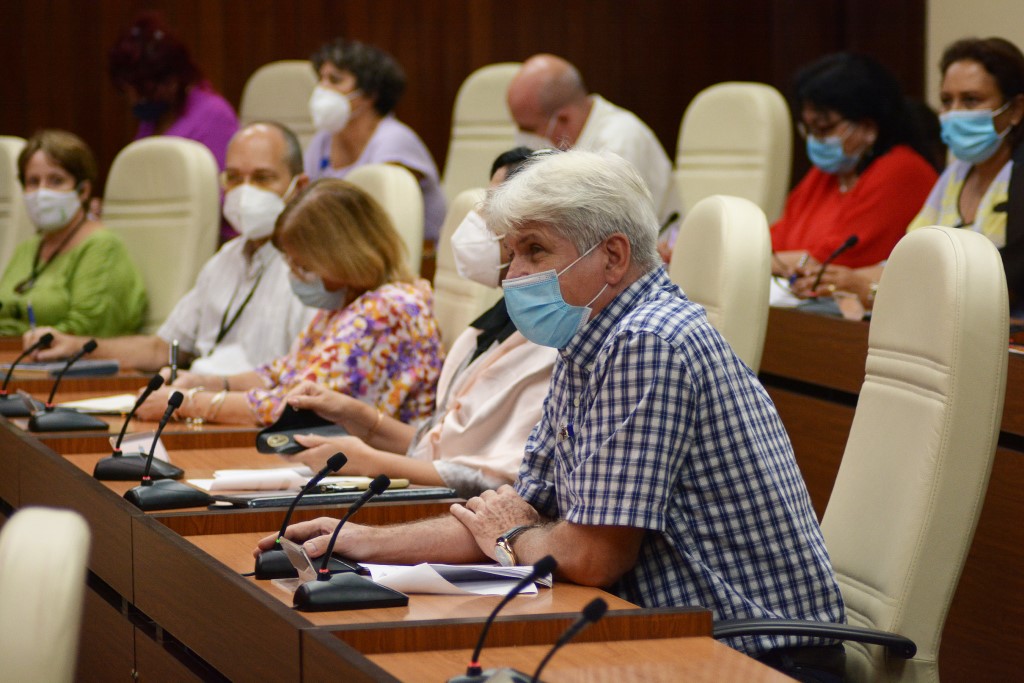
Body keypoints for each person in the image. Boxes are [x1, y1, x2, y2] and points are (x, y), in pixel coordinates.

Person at [257, 151, 845, 679]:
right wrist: (359, 542)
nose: (512, 276)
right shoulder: (586, 340)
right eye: (511, 254)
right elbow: (522, 505)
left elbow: (590, 556)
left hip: (760, 657)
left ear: (612, 255)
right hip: (663, 632)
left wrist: (514, 534)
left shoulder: (649, 341)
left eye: (535, 250)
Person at [282, 147, 557, 497]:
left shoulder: (554, 334)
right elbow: (439, 447)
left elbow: (501, 478)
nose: (481, 219)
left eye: (530, 249)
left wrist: (374, 461)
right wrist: (361, 419)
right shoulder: (491, 327)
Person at [137, 178, 443, 427]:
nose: (295, 277)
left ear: (348, 258)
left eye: (305, 267)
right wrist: (202, 381)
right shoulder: (345, 304)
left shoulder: (386, 309)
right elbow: (282, 372)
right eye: (292, 265)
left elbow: (293, 406)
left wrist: (186, 402)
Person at [24, 122, 314, 374]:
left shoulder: (313, 270)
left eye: (262, 178)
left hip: (256, 416)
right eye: (234, 178)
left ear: (299, 187)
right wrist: (76, 346)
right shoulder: (224, 260)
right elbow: (160, 349)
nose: (245, 191)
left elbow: (300, 378)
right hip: (200, 406)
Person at [796, 38, 1024, 316]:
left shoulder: (1019, 177)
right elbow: (906, 263)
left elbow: (1002, 290)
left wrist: (867, 289)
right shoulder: (957, 173)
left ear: (1015, 110)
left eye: (971, 100)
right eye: (946, 101)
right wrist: (843, 278)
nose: (954, 114)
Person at [771, 53, 938, 280]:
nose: (814, 139)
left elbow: (828, 264)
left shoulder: (902, 170)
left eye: (824, 128)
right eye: (808, 129)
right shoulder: (828, 173)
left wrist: (765, 262)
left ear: (868, 127)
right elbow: (777, 240)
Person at [0, 130, 146, 337]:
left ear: (83, 191)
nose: (42, 192)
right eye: (33, 181)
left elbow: (86, 331)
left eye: (56, 181)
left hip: (66, 364)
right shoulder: (29, 247)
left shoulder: (102, 247)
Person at [303, 38, 445, 244]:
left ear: (369, 93)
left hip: (412, 256)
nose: (322, 88)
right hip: (344, 247)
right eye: (320, 79)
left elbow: (376, 218)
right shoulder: (322, 140)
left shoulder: (394, 140)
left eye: (334, 80)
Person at [506, 54, 676, 221]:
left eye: (529, 129)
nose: (523, 137)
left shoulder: (621, 141)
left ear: (564, 118)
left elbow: (604, 225)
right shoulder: (556, 140)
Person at [109, 12, 238, 171]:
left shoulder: (215, 117)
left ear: (172, 79)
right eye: (126, 91)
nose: (134, 101)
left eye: (143, 93)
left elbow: (219, 191)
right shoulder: (154, 116)